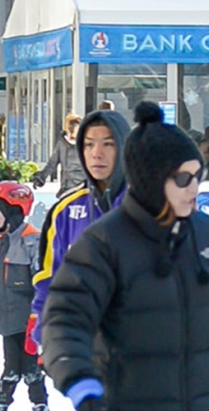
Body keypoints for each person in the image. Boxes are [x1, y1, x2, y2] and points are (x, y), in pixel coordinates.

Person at [40, 102, 209, 411]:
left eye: (198, 176)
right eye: (183, 179)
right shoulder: (104, 242)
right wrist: (81, 384)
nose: (194, 188)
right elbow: (65, 320)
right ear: (152, 180)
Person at [30, 108, 130, 346]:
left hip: (142, 355)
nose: (97, 154)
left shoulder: (151, 206)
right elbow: (49, 278)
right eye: (88, 145)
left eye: (108, 144)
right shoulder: (64, 210)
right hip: (81, 348)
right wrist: (46, 332)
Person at [0, 183, 47, 411]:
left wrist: (37, 320)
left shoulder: (32, 241)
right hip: (7, 319)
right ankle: (2, 401)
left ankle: (39, 403)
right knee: (11, 367)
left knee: (30, 369)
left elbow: (44, 284)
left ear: (12, 212)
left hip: (29, 321)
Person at [31, 112, 85, 197]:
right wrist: (40, 178)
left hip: (82, 188)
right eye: (70, 125)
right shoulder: (62, 143)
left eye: (75, 125)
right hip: (66, 189)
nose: (72, 128)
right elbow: (52, 163)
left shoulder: (85, 144)